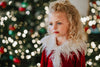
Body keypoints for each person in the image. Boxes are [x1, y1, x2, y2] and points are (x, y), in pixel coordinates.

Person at [40, 0, 87, 67]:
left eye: (59, 23)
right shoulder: (48, 46)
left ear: (71, 24)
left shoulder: (76, 49)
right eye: (51, 24)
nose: (54, 27)